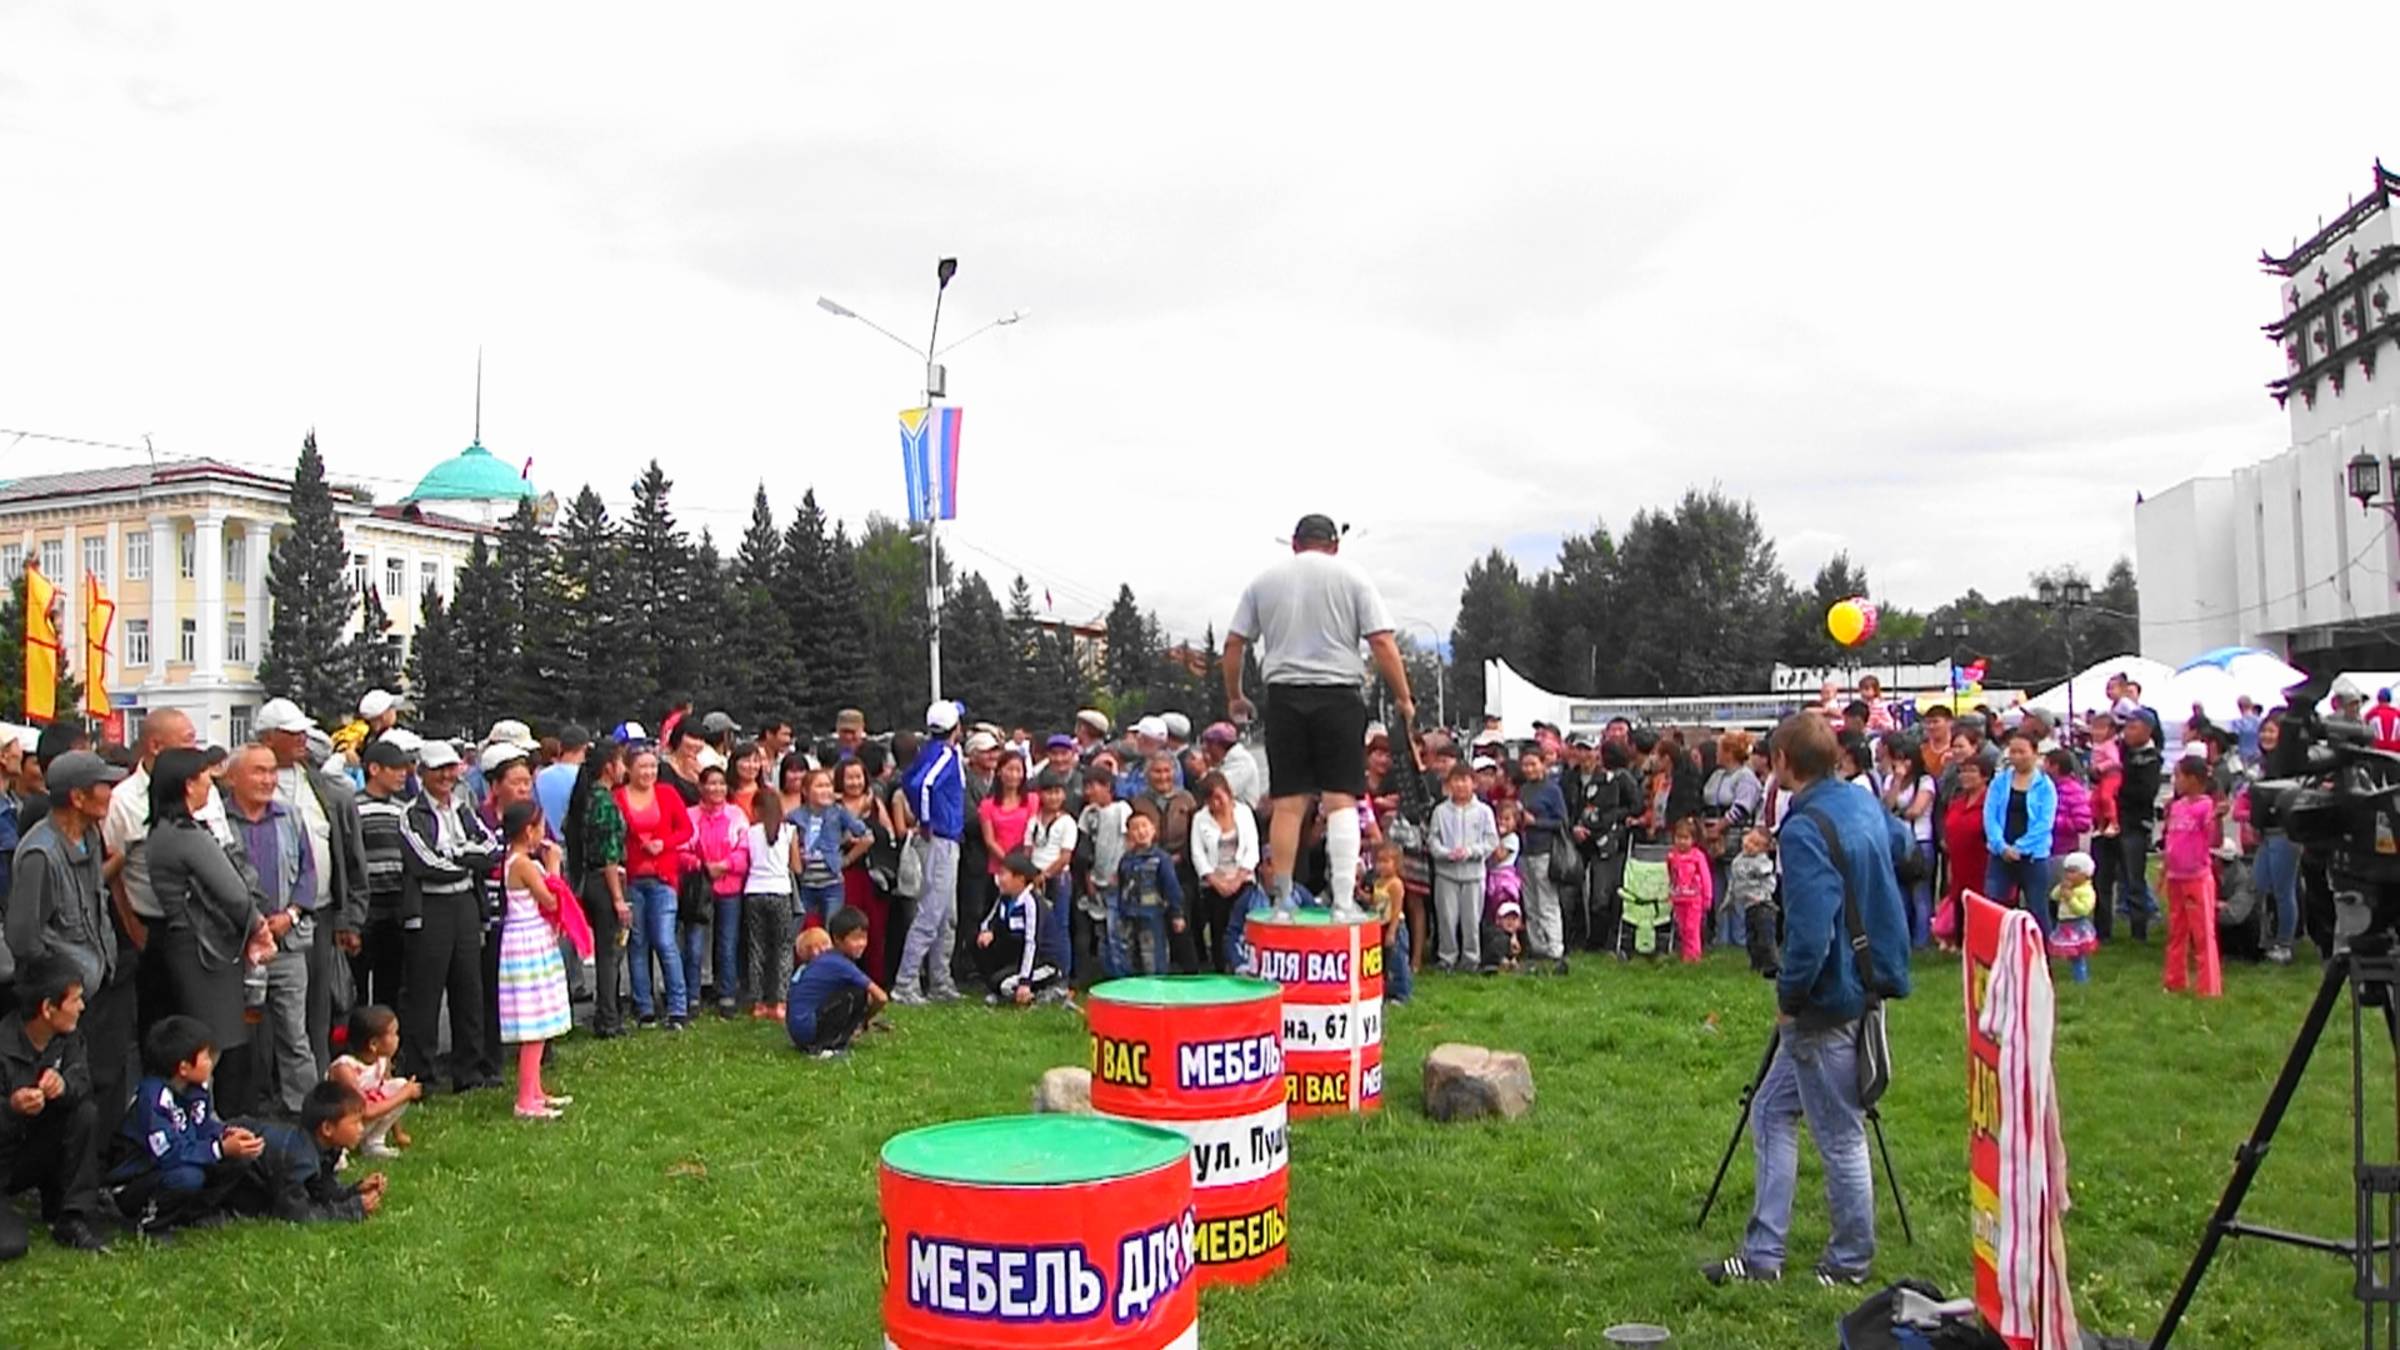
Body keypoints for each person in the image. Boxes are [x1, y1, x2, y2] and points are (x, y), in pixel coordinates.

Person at [1705, 713, 1912, 1290]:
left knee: (1841, 1134)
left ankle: (1848, 1262)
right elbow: (1903, 846)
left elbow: (1811, 928)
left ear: (1783, 763)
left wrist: (1790, 996)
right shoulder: (1861, 802)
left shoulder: (1804, 828)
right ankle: (1763, 1254)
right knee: (1771, 1109)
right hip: (1865, 979)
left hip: (1829, 996)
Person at [1223, 513, 1414, 921]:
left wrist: (1235, 696)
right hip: (1338, 696)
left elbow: (1234, 643)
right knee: (1341, 799)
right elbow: (1382, 642)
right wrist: (1404, 697)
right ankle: (1343, 902)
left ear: (1294, 543)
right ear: (1335, 546)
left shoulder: (1264, 581)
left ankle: (1282, 902)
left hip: (1284, 696)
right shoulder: (1353, 577)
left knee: (1288, 803)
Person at [4, 749, 132, 1142]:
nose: (110, 793)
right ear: (77, 797)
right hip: (65, 998)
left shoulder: (89, 836)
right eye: (103, 786)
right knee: (75, 1095)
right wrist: (61, 982)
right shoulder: (40, 854)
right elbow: (23, 937)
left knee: (108, 1076)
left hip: (99, 983)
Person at [253, 698, 368, 1077]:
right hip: (263, 920)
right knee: (264, 1009)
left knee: (317, 1006)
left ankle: (316, 1081)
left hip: (318, 913)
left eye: (304, 732)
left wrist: (350, 917)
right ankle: (268, 1085)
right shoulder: (246, 786)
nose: (302, 738)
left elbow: (351, 857)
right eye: (292, 733)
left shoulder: (327, 790)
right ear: (268, 738)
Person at [221, 745, 322, 1117]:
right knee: (235, 1035)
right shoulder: (218, 821)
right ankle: (238, 1111)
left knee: (294, 1034)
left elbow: (308, 872)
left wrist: (291, 915)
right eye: (258, 771)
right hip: (235, 946)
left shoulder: (289, 816)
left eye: (271, 771)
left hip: (285, 943)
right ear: (233, 778)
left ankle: (306, 1114)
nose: (268, 779)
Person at [398, 740, 502, 1083]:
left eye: (451, 769)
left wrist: (457, 856)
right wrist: (467, 861)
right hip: (431, 906)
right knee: (425, 993)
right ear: (422, 773)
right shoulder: (411, 814)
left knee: (469, 988)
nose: (446, 776)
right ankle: (422, 1075)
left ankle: (467, 1071)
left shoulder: (463, 809)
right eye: (438, 770)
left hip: (465, 904)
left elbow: (491, 847)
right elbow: (424, 863)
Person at [110, 1015, 267, 1235]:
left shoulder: (196, 1089)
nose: (211, 1063)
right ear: (183, 1067)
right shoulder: (153, 1098)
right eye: (206, 1057)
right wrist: (219, 1149)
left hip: (177, 1162)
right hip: (139, 1178)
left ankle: (192, 1215)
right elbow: (167, 1155)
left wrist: (226, 1134)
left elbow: (201, 1127)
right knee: (188, 1177)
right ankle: (151, 1223)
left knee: (238, 1159)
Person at [0, 955, 112, 1256]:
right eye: (74, 1000)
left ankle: (73, 1215)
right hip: (6, 1156)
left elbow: (82, 1081)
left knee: (85, 1113)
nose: (82, 1007)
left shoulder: (70, 1039)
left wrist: (63, 1087)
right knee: (11, 1245)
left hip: (40, 1148)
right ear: (48, 1008)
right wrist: (11, 1107)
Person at [102, 708, 196, 1040]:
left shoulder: (201, 788)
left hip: (197, 926)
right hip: (150, 926)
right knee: (156, 1023)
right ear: (156, 745)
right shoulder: (123, 800)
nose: (194, 749)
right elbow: (113, 869)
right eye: (186, 741)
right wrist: (132, 926)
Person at [495, 801, 574, 1118]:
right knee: (533, 1023)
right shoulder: (522, 865)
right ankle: (525, 1099)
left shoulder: (521, 861)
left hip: (535, 937)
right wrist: (554, 866)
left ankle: (535, 1090)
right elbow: (551, 899)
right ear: (529, 830)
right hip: (527, 941)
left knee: (540, 1018)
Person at [891, 701, 967, 1005]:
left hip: (945, 838)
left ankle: (940, 979)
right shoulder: (945, 755)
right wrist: (926, 820)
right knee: (932, 912)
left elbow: (910, 780)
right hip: (941, 838)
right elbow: (923, 785)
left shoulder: (929, 752)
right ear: (955, 727)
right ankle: (906, 982)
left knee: (946, 914)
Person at [614, 746, 692, 1030]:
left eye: (652, 767)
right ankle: (644, 1007)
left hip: (663, 878)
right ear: (629, 769)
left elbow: (686, 829)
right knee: (637, 942)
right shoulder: (618, 797)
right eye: (642, 767)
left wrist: (665, 843)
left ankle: (678, 1007)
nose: (648, 772)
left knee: (664, 939)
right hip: (633, 878)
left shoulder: (667, 794)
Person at [563, 741, 631, 1039]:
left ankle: (606, 1013)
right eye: (621, 762)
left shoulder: (585, 799)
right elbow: (609, 856)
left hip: (585, 878)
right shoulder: (605, 802)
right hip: (605, 881)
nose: (624, 769)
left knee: (606, 951)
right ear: (609, 767)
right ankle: (608, 1017)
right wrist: (618, 899)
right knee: (610, 953)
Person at [685, 766, 750, 1018]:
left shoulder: (736, 815)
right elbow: (681, 849)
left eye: (721, 783)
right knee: (694, 944)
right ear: (701, 787)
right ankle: (692, 996)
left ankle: (727, 994)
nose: (717, 789)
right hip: (698, 887)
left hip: (730, 886)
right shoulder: (690, 815)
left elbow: (745, 851)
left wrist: (725, 865)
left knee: (727, 942)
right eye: (711, 783)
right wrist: (701, 865)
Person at [1982, 731, 2058, 933]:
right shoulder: (1999, 782)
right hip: (2000, 854)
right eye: (2012, 751)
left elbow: (2044, 823)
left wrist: (2020, 848)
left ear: (2035, 753)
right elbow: (1990, 815)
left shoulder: (2045, 786)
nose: (2016, 756)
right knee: (1994, 905)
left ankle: (2041, 949)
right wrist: (2001, 846)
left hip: (2033, 856)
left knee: (2037, 908)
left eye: (2021, 752)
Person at [2161, 758, 2224, 998]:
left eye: (2179, 776)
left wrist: (2217, 818)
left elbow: (2214, 840)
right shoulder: (2177, 806)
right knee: (2176, 930)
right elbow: (2171, 841)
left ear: (2193, 779)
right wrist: (2164, 870)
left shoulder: (2206, 806)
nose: (2175, 781)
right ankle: (2174, 980)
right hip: (2175, 876)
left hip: (2197, 877)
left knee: (2202, 932)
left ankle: (2209, 986)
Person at [785, 906, 885, 1058]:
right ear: (837, 939)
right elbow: (881, 997)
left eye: (864, 938)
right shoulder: (840, 964)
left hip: (798, 1029)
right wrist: (865, 1019)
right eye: (855, 939)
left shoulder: (828, 959)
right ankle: (826, 1046)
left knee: (854, 990)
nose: (861, 944)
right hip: (807, 1029)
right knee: (858, 993)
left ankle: (832, 1040)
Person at [1428, 764, 1497, 973]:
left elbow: (1491, 841)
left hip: (1473, 874)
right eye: (1456, 781)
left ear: (1473, 783)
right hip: (1446, 873)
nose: (1460, 785)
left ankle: (1471, 958)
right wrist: (1445, 853)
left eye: (1464, 780)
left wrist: (1471, 852)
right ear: (1449, 784)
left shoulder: (1484, 811)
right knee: (1446, 918)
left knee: (1471, 919)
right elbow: (1432, 839)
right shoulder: (1440, 811)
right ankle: (1447, 957)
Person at [833, 758, 896, 986]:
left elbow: (888, 835)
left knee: (875, 930)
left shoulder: (875, 803)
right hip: (847, 875)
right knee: (847, 928)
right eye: (849, 777)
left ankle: (875, 982)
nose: (854, 782)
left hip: (874, 877)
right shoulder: (834, 806)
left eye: (858, 777)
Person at [1189, 771, 1260, 972]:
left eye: (1219, 798)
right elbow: (1198, 854)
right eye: (1211, 800)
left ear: (1228, 793)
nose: (1216, 804)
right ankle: (1220, 969)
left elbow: (1252, 850)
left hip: (1242, 879)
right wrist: (1215, 880)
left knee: (1241, 926)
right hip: (1214, 882)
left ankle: (1245, 966)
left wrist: (1238, 879)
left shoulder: (1244, 813)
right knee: (1218, 929)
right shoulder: (1200, 819)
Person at [740, 784, 798, 1023]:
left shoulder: (750, 832)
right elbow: (796, 866)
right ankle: (780, 1002)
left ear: (756, 809)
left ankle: (759, 1003)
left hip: (754, 891)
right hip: (780, 891)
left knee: (757, 947)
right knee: (783, 947)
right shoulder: (788, 831)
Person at [329, 1004, 417, 1158]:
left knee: (399, 1085)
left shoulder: (382, 1060)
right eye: (393, 1034)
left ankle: (374, 1142)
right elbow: (365, 1111)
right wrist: (405, 1094)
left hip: (362, 1122)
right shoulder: (345, 1069)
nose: (398, 1038)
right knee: (402, 1090)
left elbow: (388, 1092)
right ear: (373, 1045)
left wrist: (398, 1133)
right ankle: (337, 1150)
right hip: (343, 1123)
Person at [976, 851, 1063, 1007]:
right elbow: (989, 920)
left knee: (1004, 985)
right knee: (980, 946)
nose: (999, 879)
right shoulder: (1004, 898)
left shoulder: (1031, 903)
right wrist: (987, 931)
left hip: (1043, 962)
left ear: (1020, 879)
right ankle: (1000, 987)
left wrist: (1025, 982)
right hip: (1017, 958)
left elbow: (1032, 943)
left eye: (1004, 874)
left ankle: (1046, 990)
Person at [289, 1079, 384, 1221]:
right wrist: (353, 1209)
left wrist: (356, 1190)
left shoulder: (329, 1148)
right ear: (327, 1128)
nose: (361, 1129)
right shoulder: (299, 1158)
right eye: (355, 1122)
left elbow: (322, 1191)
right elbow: (298, 1213)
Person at [1514, 746, 1570, 976]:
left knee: (1547, 901)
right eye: (1525, 765)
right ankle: (1538, 946)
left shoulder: (1552, 790)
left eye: (1533, 764)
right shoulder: (1524, 789)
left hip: (1545, 850)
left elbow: (1562, 822)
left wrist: (1535, 822)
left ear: (1543, 764)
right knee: (1530, 902)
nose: (1529, 769)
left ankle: (1555, 947)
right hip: (1525, 851)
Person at [2107, 713, 2163, 943]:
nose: (2127, 732)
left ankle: (2139, 931)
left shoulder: (2151, 759)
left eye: (2133, 727)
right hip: (2111, 821)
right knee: (2107, 876)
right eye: (2127, 727)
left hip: (2135, 824)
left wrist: (2118, 788)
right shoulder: (2119, 752)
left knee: (2134, 878)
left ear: (2147, 730)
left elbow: (2146, 793)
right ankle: (2103, 928)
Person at [791, 768, 868, 933]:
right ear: (805, 791)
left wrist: (847, 859)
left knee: (832, 929)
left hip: (832, 884)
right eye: (820, 786)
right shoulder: (795, 816)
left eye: (828, 786)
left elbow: (867, 836)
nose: (826, 790)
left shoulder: (838, 812)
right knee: (797, 929)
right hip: (805, 884)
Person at [1025, 771, 1082, 988]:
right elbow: (1028, 850)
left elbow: (1065, 856)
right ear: (1040, 794)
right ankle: (1042, 973)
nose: (1053, 797)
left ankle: (1063, 975)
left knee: (1060, 926)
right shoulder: (1034, 821)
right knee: (1038, 927)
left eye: (1058, 792)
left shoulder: (1067, 822)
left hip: (1057, 879)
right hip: (1034, 878)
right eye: (1049, 792)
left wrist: (1045, 875)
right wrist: (1031, 875)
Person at [1113, 808, 1184, 977]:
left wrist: (1177, 914)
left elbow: (1171, 887)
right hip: (1129, 915)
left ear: (1153, 829)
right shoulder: (1126, 860)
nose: (1141, 831)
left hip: (1153, 916)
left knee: (1153, 957)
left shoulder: (1161, 858)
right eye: (1135, 828)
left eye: (1144, 826)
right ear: (1129, 834)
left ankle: (1157, 986)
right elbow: (1122, 887)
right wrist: (1121, 912)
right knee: (1131, 956)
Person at [1079, 771, 1132, 978]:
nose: (1089, 792)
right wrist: (1088, 878)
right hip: (1096, 879)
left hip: (1116, 879)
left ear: (1108, 786)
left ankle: (1122, 975)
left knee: (1116, 931)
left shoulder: (1121, 809)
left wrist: (1121, 872)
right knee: (1101, 932)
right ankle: (1107, 973)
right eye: (1086, 787)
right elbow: (1086, 850)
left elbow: (1128, 842)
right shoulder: (1088, 813)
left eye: (1094, 786)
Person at [1729, 828, 1779, 977]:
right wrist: (1730, 898)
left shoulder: (1762, 862)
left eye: (1756, 845)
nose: (1750, 845)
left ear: (1763, 849)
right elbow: (1734, 882)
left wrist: (1763, 895)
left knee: (1765, 937)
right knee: (1751, 938)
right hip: (1748, 905)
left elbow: (1770, 881)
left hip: (1763, 905)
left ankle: (1771, 965)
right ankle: (1756, 964)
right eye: (1749, 840)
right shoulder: (1738, 861)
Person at [1369, 841, 1412, 1004]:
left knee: (1398, 959)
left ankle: (1402, 992)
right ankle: (1387, 989)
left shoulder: (1396, 884)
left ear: (1396, 864)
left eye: (1386, 861)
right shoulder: (1378, 882)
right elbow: (1376, 902)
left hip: (1394, 925)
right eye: (1379, 861)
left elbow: (1396, 909)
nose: (1381, 865)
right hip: (1381, 924)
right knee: (1385, 960)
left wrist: (1392, 931)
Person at [1666, 816, 1711, 964]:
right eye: (1678, 838)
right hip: (1679, 898)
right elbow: (1671, 876)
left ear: (1693, 839)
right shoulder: (1672, 856)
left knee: (1692, 928)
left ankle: (1694, 955)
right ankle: (1686, 953)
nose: (1682, 842)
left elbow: (1705, 877)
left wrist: (1707, 897)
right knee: (1683, 928)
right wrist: (1670, 893)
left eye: (1685, 838)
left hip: (1694, 899)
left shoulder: (1698, 856)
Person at [2049, 852, 2099, 984]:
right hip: (2064, 924)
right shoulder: (2067, 887)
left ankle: (2081, 978)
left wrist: (2071, 899)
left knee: (2077, 954)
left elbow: (2083, 910)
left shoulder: (2086, 891)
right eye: (2066, 871)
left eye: (2073, 872)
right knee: (2067, 951)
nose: (2068, 875)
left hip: (2077, 925)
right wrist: (2061, 888)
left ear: (2085, 874)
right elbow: (2053, 896)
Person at [535, 725, 589, 843]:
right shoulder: (584, 778)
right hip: (572, 843)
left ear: (560, 747)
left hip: (544, 842)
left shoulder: (540, 776)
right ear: (585, 748)